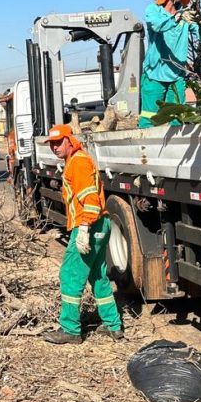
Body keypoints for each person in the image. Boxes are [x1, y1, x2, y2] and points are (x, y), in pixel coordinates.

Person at [40, 124, 124, 344]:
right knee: (98, 276)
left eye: (59, 142)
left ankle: (70, 329)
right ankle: (113, 325)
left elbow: (91, 200)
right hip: (99, 224)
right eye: (52, 144)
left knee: (70, 275)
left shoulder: (78, 162)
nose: (55, 148)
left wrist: (84, 228)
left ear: (70, 140)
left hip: (90, 224)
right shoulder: (77, 160)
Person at [139, 0, 200, 128]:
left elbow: (199, 33)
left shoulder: (186, 15)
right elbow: (158, 26)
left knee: (178, 120)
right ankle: (146, 151)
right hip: (154, 74)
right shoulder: (153, 10)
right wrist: (178, 17)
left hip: (177, 75)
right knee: (149, 119)